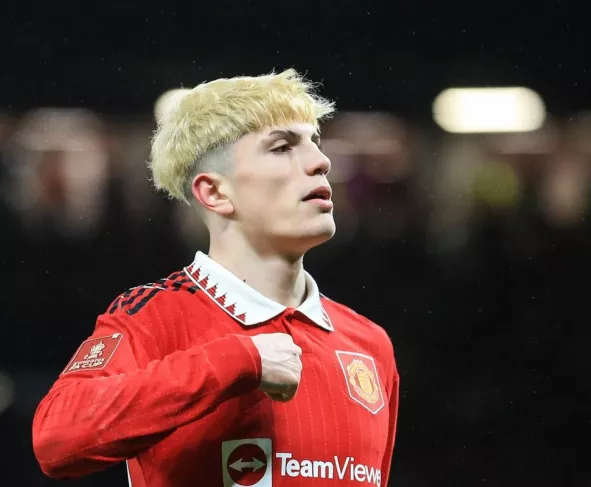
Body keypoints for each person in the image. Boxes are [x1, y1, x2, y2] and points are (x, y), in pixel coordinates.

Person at [32, 69, 399, 487]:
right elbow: (55, 440)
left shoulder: (370, 343)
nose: (321, 161)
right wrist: (239, 360)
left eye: (314, 143)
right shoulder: (155, 315)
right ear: (215, 193)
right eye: (282, 147)